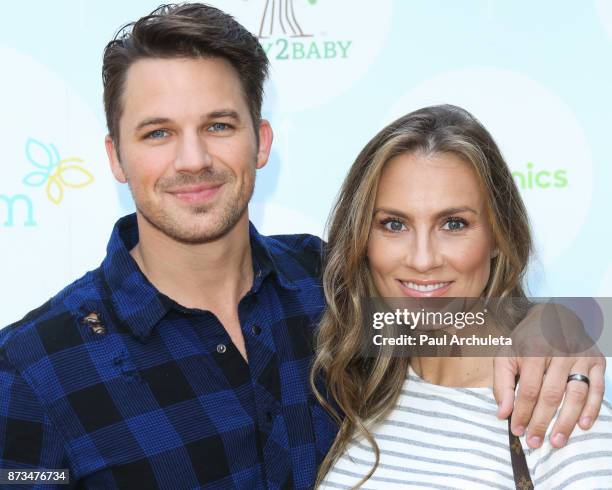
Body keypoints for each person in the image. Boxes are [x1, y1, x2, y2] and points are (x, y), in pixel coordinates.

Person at [0, 4, 605, 489]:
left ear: (261, 142)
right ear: (115, 156)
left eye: (219, 125)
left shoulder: (330, 288)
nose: (193, 160)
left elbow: (451, 323)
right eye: (158, 133)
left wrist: (561, 324)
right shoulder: (33, 367)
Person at [313, 104, 612, 488]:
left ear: (499, 237)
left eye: (454, 224)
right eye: (393, 224)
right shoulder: (356, 387)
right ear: (362, 241)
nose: (422, 259)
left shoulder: (558, 411)